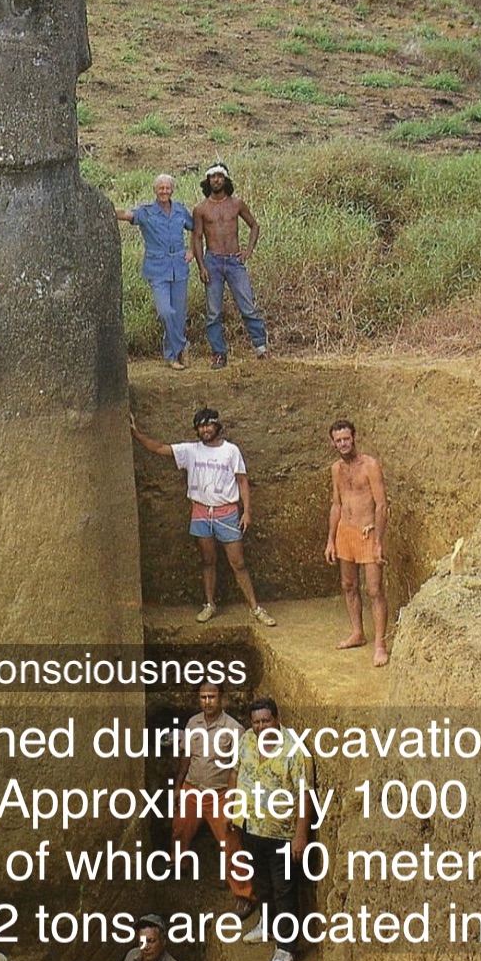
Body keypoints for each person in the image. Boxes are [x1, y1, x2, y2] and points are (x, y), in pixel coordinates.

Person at [130, 408, 276, 626]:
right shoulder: (191, 451)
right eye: (200, 426)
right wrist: (136, 433)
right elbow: (160, 448)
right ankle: (209, 604)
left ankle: (255, 608)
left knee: (238, 563)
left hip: (226, 513)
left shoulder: (231, 451)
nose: (205, 430)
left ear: (217, 426)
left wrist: (247, 512)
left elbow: (242, 481)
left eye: (208, 425)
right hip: (200, 513)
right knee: (208, 561)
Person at [234, 696, 314, 961]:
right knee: (262, 884)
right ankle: (267, 925)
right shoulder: (246, 741)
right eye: (256, 722)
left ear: (276, 720)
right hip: (251, 827)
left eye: (265, 720)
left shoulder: (294, 751)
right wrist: (234, 811)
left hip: (281, 834)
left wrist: (300, 836)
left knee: (284, 891)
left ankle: (287, 947)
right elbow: (238, 771)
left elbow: (305, 795)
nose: (260, 726)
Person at [172, 682, 255, 917]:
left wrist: (233, 800)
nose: (207, 701)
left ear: (222, 699)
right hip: (192, 788)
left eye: (212, 697)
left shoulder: (234, 729)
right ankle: (180, 866)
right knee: (179, 829)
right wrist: (179, 785)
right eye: (203, 697)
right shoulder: (193, 723)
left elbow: (238, 768)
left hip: (219, 794)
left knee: (230, 844)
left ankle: (244, 894)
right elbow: (186, 757)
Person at [324, 419, 390, 667]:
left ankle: (380, 644)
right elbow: (336, 504)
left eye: (346, 439)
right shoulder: (336, 469)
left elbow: (382, 505)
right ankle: (357, 632)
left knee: (374, 589)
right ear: (333, 442)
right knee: (348, 584)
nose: (342, 443)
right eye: (338, 440)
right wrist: (331, 540)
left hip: (367, 532)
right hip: (345, 532)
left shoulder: (370, 466)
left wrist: (379, 541)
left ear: (354, 438)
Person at [192, 163, 267, 369]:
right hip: (213, 261)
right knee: (214, 312)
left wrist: (248, 250)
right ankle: (219, 354)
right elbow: (197, 238)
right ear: (208, 181)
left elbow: (254, 225)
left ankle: (261, 347)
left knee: (248, 306)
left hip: (235, 261)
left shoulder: (236, 204)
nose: (216, 180)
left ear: (226, 180)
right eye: (212, 177)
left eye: (220, 176)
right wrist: (201, 266)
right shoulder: (201, 209)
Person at [116, 175, 195, 370]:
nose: (164, 191)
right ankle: (182, 345)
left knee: (178, 314)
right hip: (157, 268)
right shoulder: (146, 212)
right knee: (165, 312)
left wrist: (192, 250)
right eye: (161, 188)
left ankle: (172, 357)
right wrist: (104, 209)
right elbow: (127, 214)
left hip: (179, 266)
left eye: (167, 188)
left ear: (172, 190)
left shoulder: (180, 210)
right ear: (155, 190)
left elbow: (195, 228)